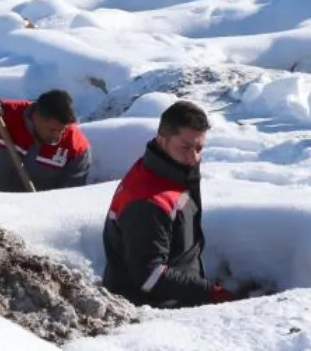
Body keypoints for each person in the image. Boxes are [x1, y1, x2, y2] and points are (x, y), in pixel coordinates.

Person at [101, 100, 242, 308]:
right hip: (152, 311)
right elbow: (150, 277)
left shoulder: (169, 171)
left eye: (199, 148)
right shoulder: (148, 202)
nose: (193, 157)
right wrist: (209, 293)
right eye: (185, 147)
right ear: (161, 139)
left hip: (176, 298)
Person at [0, 89, 92, 192]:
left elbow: (68, 197)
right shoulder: (2, 116)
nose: (58, 136)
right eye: (52, 130)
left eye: (63, 130)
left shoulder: (75, 147)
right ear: (37, 116)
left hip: (37, 219)